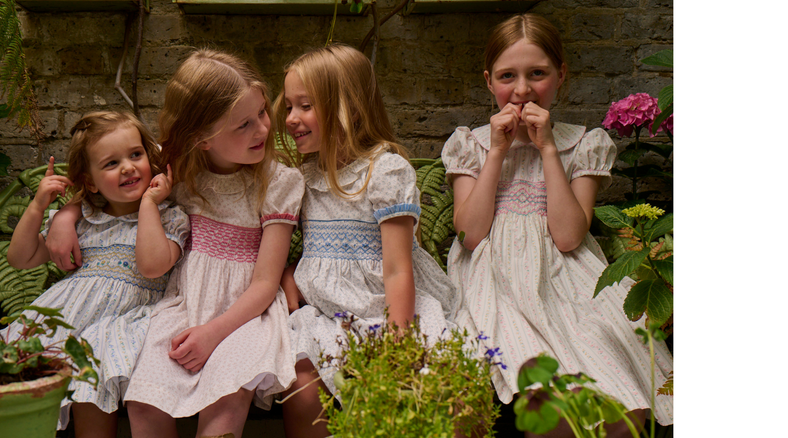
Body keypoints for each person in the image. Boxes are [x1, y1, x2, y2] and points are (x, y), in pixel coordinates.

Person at [47, 48, 303, 438]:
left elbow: (265, 283)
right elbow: (112, 189)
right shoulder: (178, 171)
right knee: (145, 401)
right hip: (180, 308)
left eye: (262, 113)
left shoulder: (279, 182)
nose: (263, 130)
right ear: (201, 138)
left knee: (225, 401)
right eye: (244, 124)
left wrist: (213, 333)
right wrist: (67, 215)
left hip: (245, 315)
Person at [443, 13, 674, 430]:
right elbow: (470, 234)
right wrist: (497, 153)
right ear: (489, 81)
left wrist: (548, 148)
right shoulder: (471, 145)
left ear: (561, 75)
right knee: (547, 401)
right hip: (493, 281)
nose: (522, 89)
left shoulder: (582, 144)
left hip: (565, 280)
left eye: (538, 73)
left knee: (616, 389)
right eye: (507, 76)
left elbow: (568, 237)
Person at [276, 43, 458, 438]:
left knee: (435, 390)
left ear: (351, 108)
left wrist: (398, 344)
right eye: (289, 106)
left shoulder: (384, 172)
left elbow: (397, 269)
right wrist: (290, 274)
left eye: (305, 106)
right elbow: (310, 251)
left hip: (391, 310)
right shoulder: (304, 178)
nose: (291, 118)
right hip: (330, 316)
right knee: (301, 385)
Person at [2, 111, 187, 438]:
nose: (128, 167)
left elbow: (153, 266)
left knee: (92, 369)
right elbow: (21, 258)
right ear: (90, 182)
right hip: (69, 319)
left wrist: (149, 203)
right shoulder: (84, 220)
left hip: (125, 324)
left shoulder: (169, 216)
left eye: (136, 154)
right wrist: (38, 207)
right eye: (111, 163)